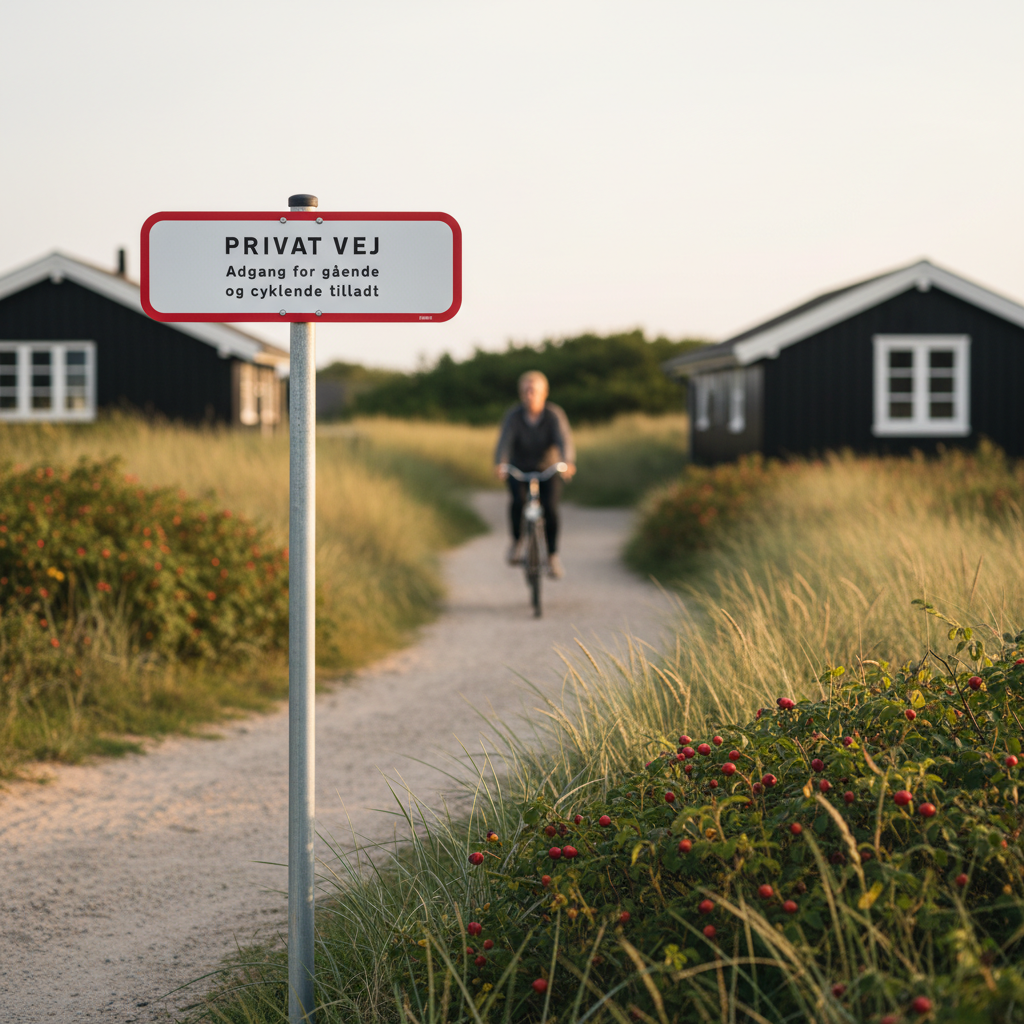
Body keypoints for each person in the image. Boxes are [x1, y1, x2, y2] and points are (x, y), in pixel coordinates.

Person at [493, 371, 576, 578]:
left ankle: (552, 557)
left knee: (550, 508)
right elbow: (504, 442)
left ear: (544, 393)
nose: (530, 395)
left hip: (547, 468)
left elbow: (564, 439)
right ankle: (517, 542)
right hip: (519, 468)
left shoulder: (554, 414)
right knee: (517, 501)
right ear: (521, 393)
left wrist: (568, 462)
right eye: (526, 391)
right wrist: (500, 463)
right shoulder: (513, 415)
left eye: (534, 390)